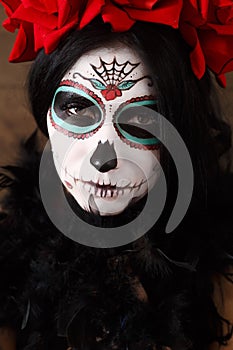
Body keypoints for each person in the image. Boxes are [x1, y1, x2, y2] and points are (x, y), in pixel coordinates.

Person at [0, 1, 233, 349]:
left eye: (141, 120)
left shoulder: (222, 278)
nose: (103, 158)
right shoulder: (8, 265)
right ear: (46, 114)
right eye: (77, 109)